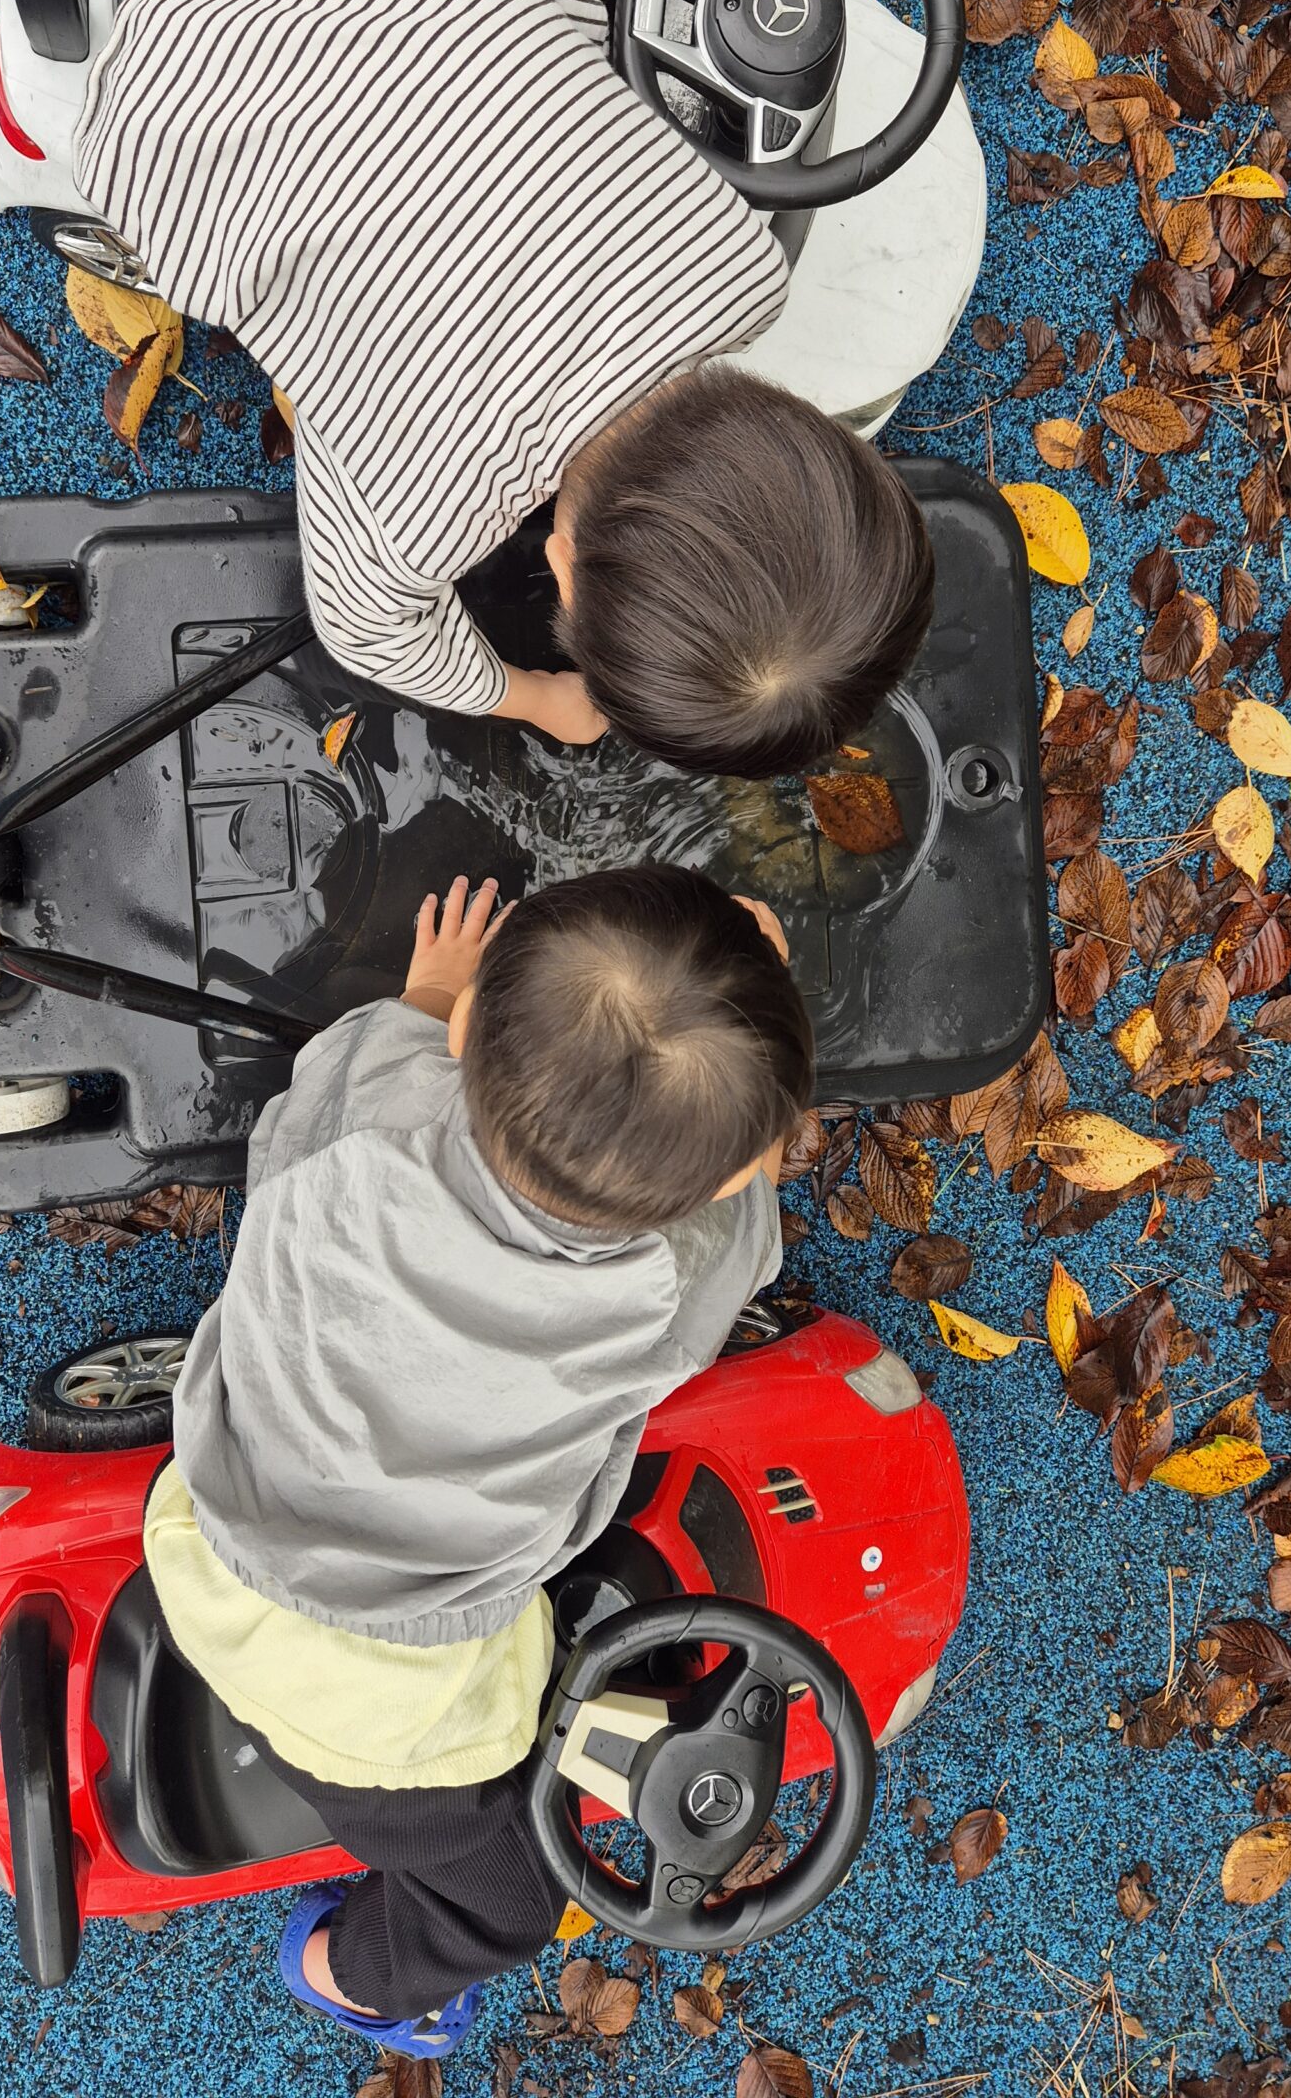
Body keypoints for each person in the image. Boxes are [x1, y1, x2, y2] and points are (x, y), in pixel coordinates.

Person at [76, 0, 934, 778]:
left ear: (795, 416)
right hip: (144, 120)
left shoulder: (734, 258)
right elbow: (368, 636)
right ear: (559, 567)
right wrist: (534, 698)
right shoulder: (410, 516)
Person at [142, 865, 812, 2057]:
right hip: (393, 1709)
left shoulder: (375, 1095)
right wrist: (762, 1027)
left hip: (210, 1523)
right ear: (723, 1176)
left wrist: (426, 990)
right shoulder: (680, 1279)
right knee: (509, 1908)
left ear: (461, 1030)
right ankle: (353, 1974)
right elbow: (747, 1220)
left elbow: (310, 1114)